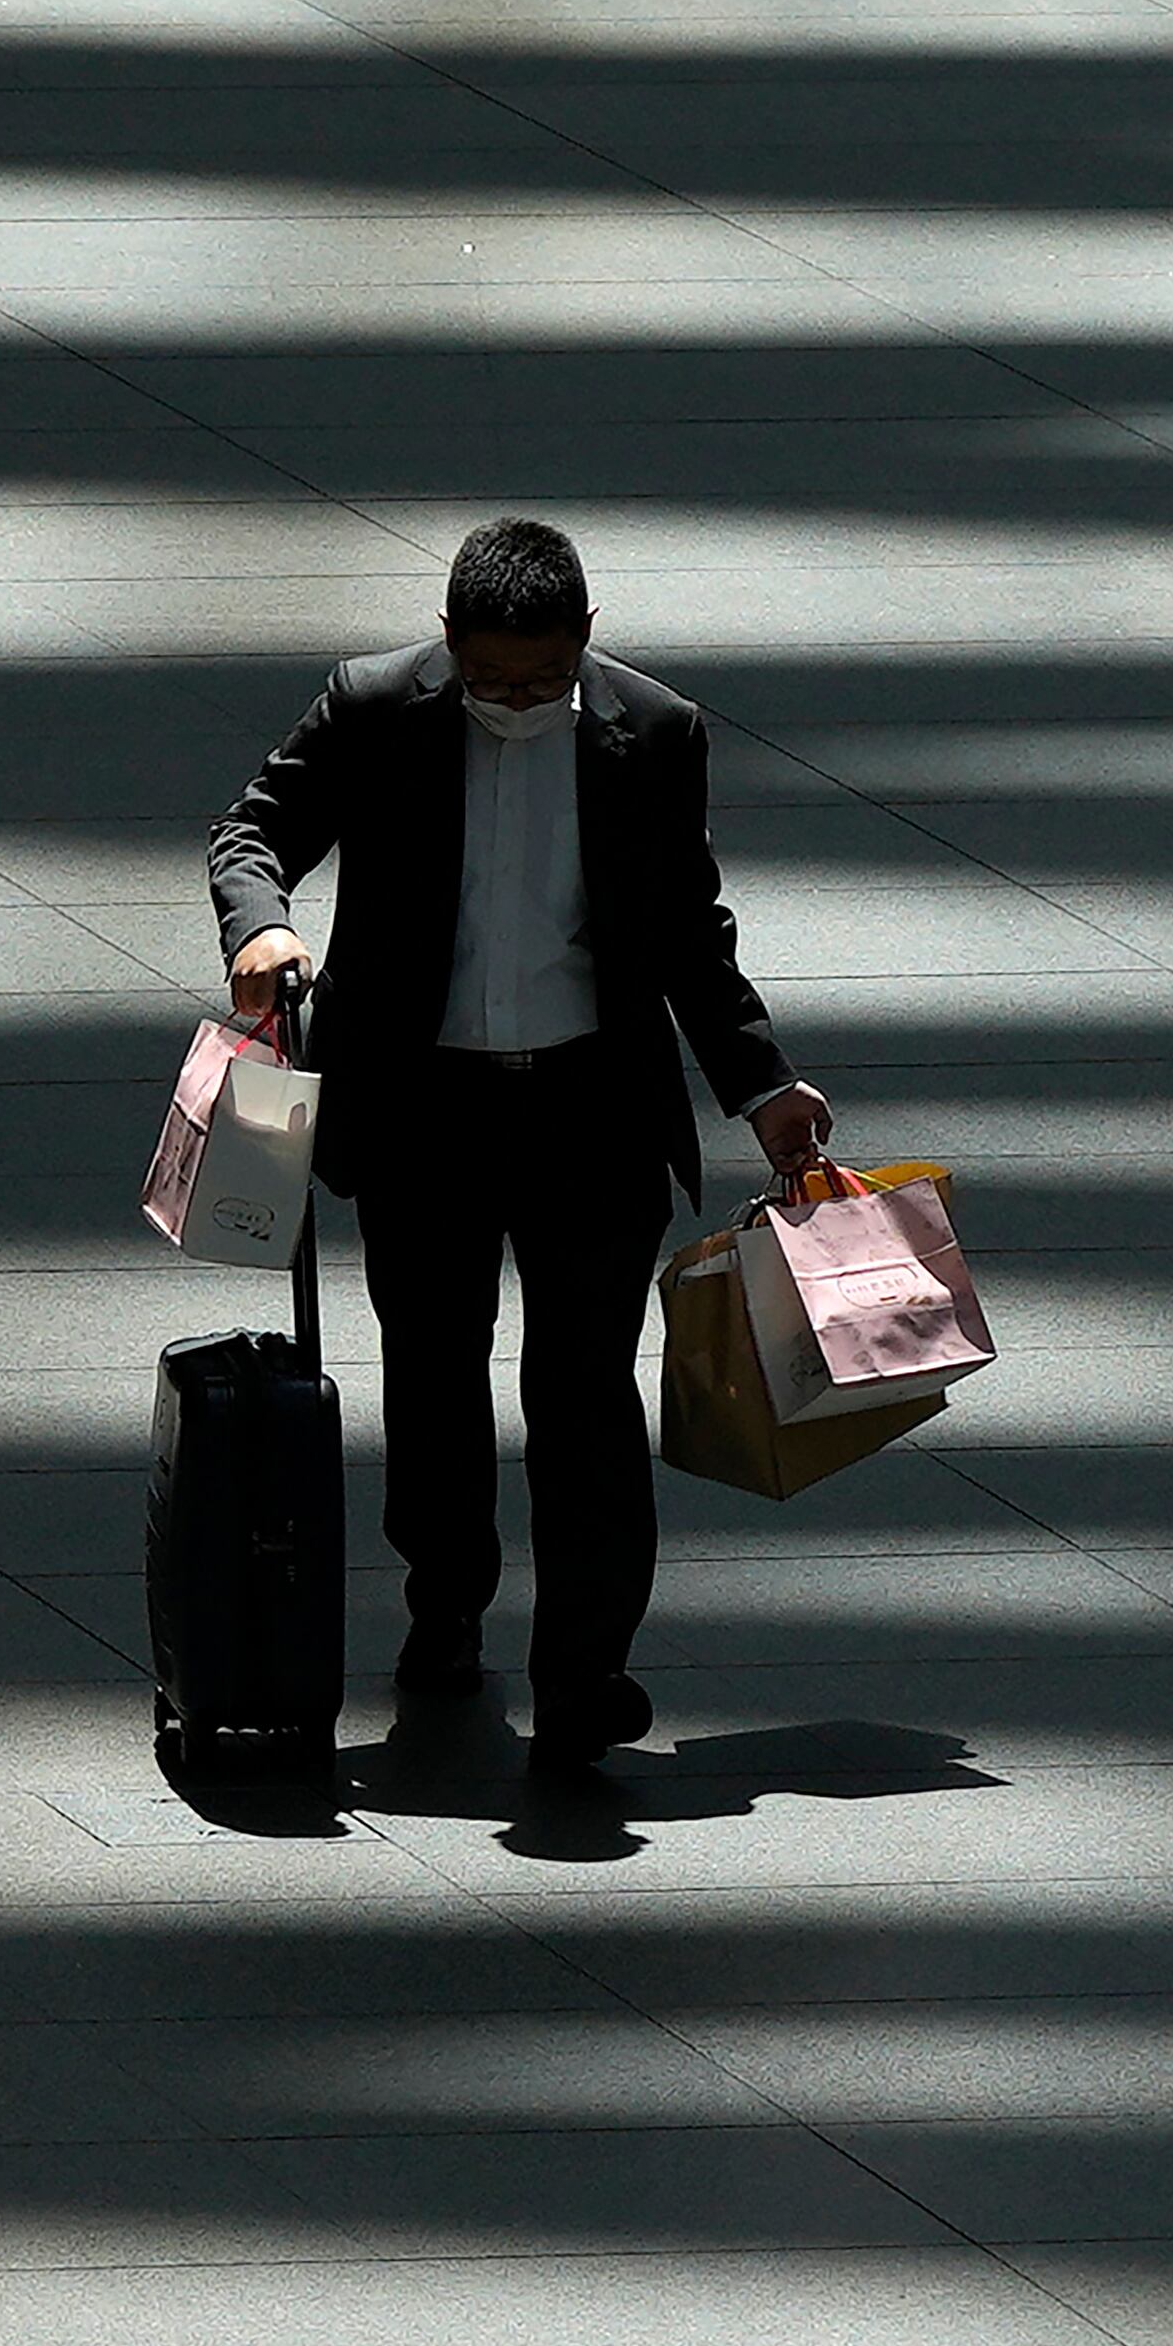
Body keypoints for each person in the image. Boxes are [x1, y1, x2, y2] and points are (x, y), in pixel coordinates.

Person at [206, 517, 831, 1777]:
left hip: (591, 1106)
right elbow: (253, 828)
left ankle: (585, 1669)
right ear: (447, 645)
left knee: (586, 1395)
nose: (514, 701)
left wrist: (758, 1086)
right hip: (420, 1104)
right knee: (434, 1376)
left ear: (584, 643)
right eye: (489, 680)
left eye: (540, 681)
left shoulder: (653, 732)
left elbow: (684, 929)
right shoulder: (372, 707)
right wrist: (258, 926)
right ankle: (445, 1600)